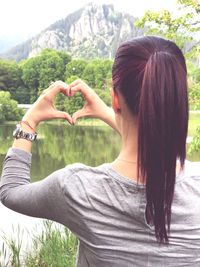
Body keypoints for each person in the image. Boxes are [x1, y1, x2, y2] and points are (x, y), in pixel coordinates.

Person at [0, 36, 200, 267]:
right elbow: (155, 147)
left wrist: (29, 121)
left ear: (116, 98)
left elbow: (11, 190)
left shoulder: (79, 190)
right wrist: (109, 112)